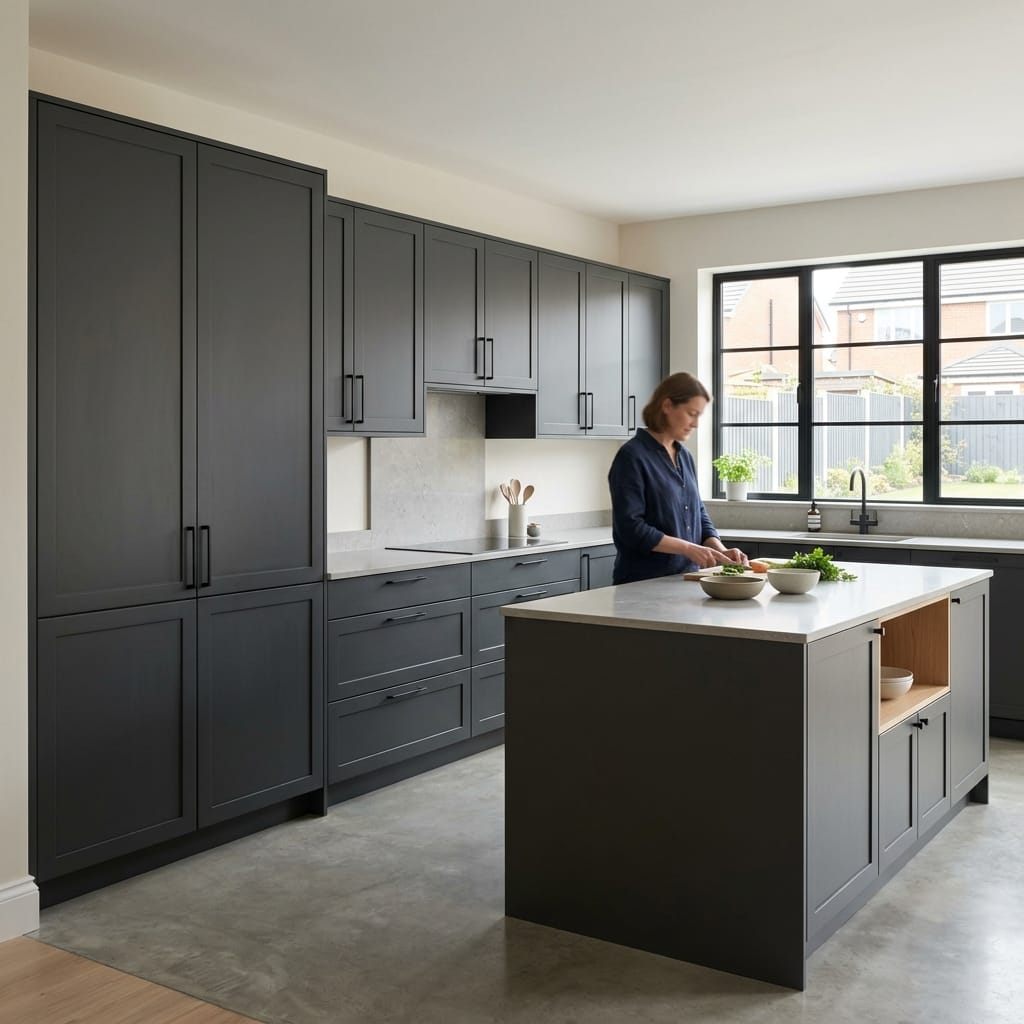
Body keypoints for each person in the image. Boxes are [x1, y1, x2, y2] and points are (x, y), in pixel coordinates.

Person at [608, 372, 748, 585]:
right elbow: (631, 528)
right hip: (642, 584)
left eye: (699, 416)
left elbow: (697, 512)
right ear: (667, 406)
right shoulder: (632, 457)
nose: (696, 424)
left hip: (686, 580)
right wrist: (688, 548)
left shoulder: (684, 455)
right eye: (691, 413)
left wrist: (721, 551)